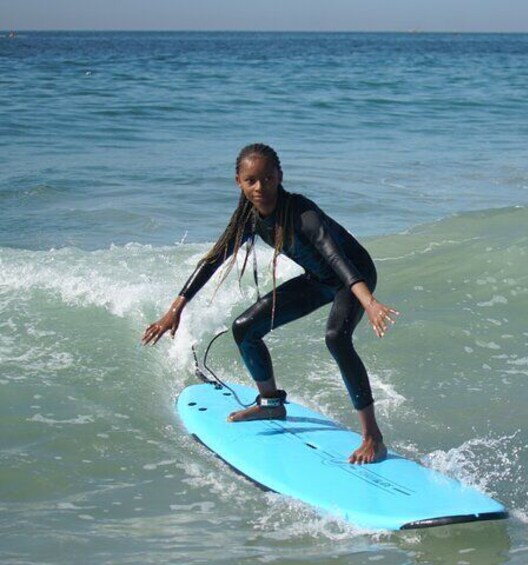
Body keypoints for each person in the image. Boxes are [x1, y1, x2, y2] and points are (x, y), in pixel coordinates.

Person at [142, 143, 398, 464]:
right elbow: (212, 262)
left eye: (267, 178)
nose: (260, 187)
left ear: (279, 176)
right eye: (251, 180)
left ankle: (373, 436)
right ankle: (270, 403)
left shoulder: (303, 213)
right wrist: (174, 310)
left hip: (353, 276)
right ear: (239, 181)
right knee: (245, 329)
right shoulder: (248, 218)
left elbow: (335, 256)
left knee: (336, 337)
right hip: (319, 279)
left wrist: (369, 301)